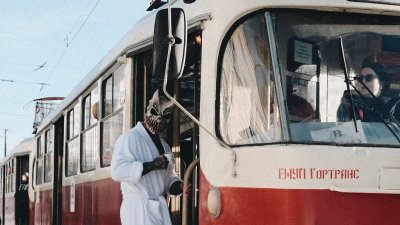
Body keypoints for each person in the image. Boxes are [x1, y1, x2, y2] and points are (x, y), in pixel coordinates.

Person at [111, 89, 187, 225]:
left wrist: (180, 186)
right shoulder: (129, 138)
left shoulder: (165, 146)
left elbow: (169, 179)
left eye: (165, 116)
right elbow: (117, 171)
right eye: (154, 112)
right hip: (137, 209)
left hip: (158, 208)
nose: (159, 118)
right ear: (147, 110)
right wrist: (153, 165)